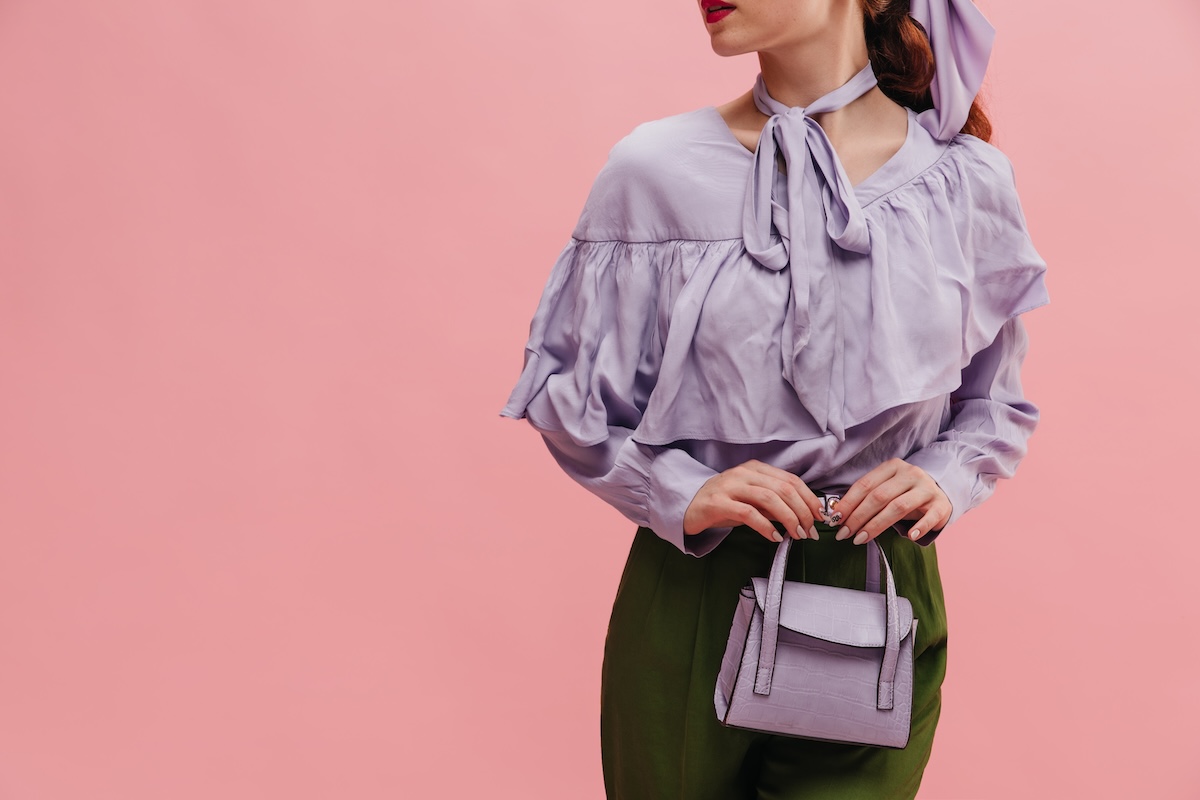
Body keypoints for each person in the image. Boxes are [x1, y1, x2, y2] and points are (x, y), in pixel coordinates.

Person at [499, 0, 1048, 796]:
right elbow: (567, 398)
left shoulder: (965, 181)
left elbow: (995, 404)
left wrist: (943, 477)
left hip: (879, 585)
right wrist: (682, 490)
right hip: (696, 589)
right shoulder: (653, 171)